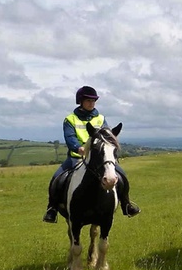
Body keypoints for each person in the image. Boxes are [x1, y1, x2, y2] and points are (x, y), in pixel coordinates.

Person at [42, 86, 140, 223]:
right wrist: (78, 148)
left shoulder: (100, 118)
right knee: (57, 177)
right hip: (77, 157)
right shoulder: (70, 119)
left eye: (93, 101)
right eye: (88, 100)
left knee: (121, 174)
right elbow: (70, 137)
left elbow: (107, 135)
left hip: (98, 158)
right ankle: (52, 208)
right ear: (80, 101)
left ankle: (126, 204)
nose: (91, 103)